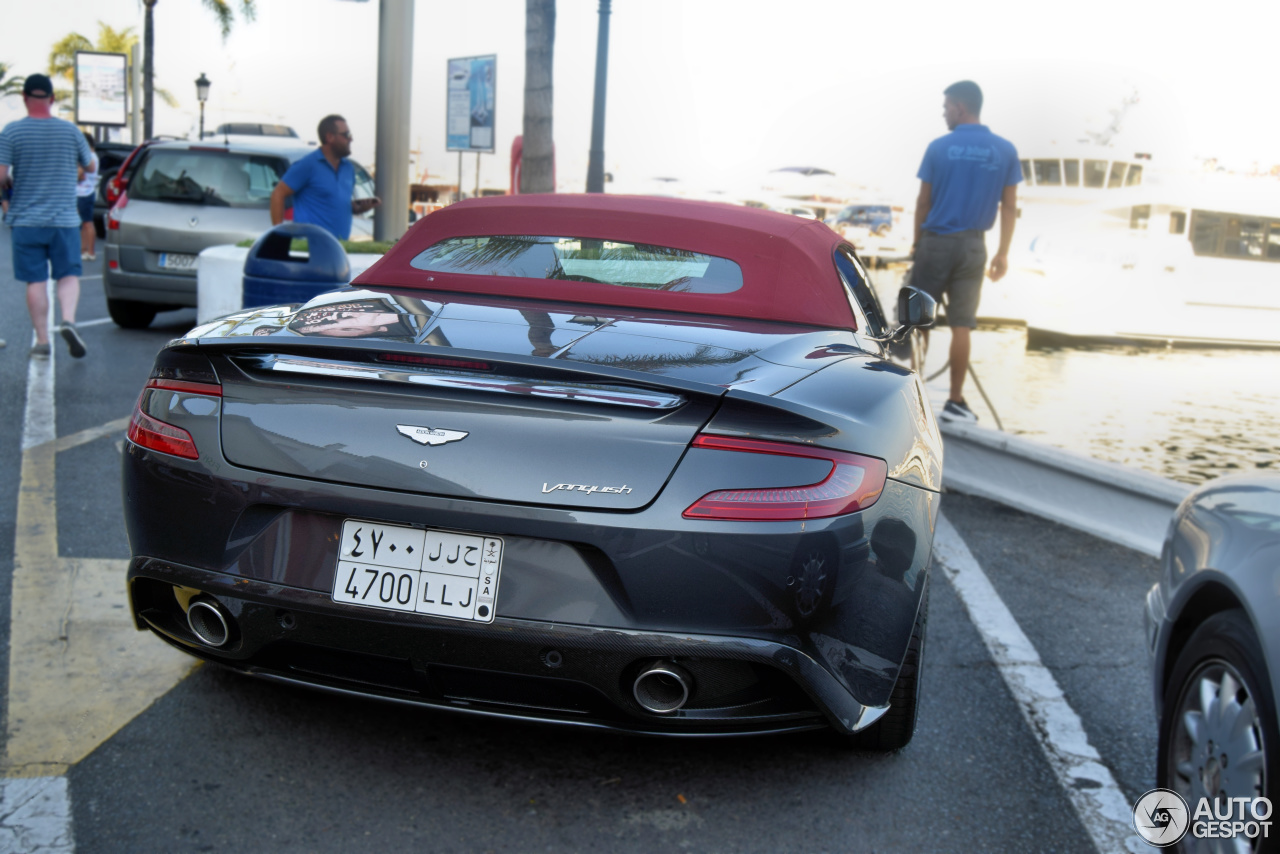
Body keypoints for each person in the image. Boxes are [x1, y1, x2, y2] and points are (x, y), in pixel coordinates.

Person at [911, 80, 1020, 422]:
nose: (944, 113)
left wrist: (917, 245)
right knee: (962, 325)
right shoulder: (1005, 150)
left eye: (946, 107)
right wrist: (1003, 252)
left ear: (960, 106)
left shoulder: (938, 147)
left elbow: (923, 202)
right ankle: (956, 401)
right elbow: (1009, 206)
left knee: (919, 321)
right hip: (975, 246)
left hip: (936, 242)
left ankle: (913, 397)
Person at [0, 73, 95, 359]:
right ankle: (68, 320)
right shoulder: (70, 132)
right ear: (52, 100)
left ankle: (42, 342)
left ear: (25, 99)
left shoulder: (12, 132)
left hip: (26, 221)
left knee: (36, 281)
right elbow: (90, 167)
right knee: (67, 275)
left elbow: (2, 175)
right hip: (64, 220)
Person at [270, 114, 379, 240]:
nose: (351, 139)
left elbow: (333, 203)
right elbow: (278, 194)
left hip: (338, 249)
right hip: (311, 247)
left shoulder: (348, 168)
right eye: (346, 135)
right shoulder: (308, 165)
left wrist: (358, 208)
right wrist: (277, 236)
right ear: (329, 137)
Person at [77, 132, 98, 261]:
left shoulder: (90, 156)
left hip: (85, 193)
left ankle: (90, 251)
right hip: (84, 192)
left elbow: (80, 174)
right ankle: (84, 250)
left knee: (87, 223)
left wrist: (78, 173)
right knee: (84, 223)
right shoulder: (92, 155)